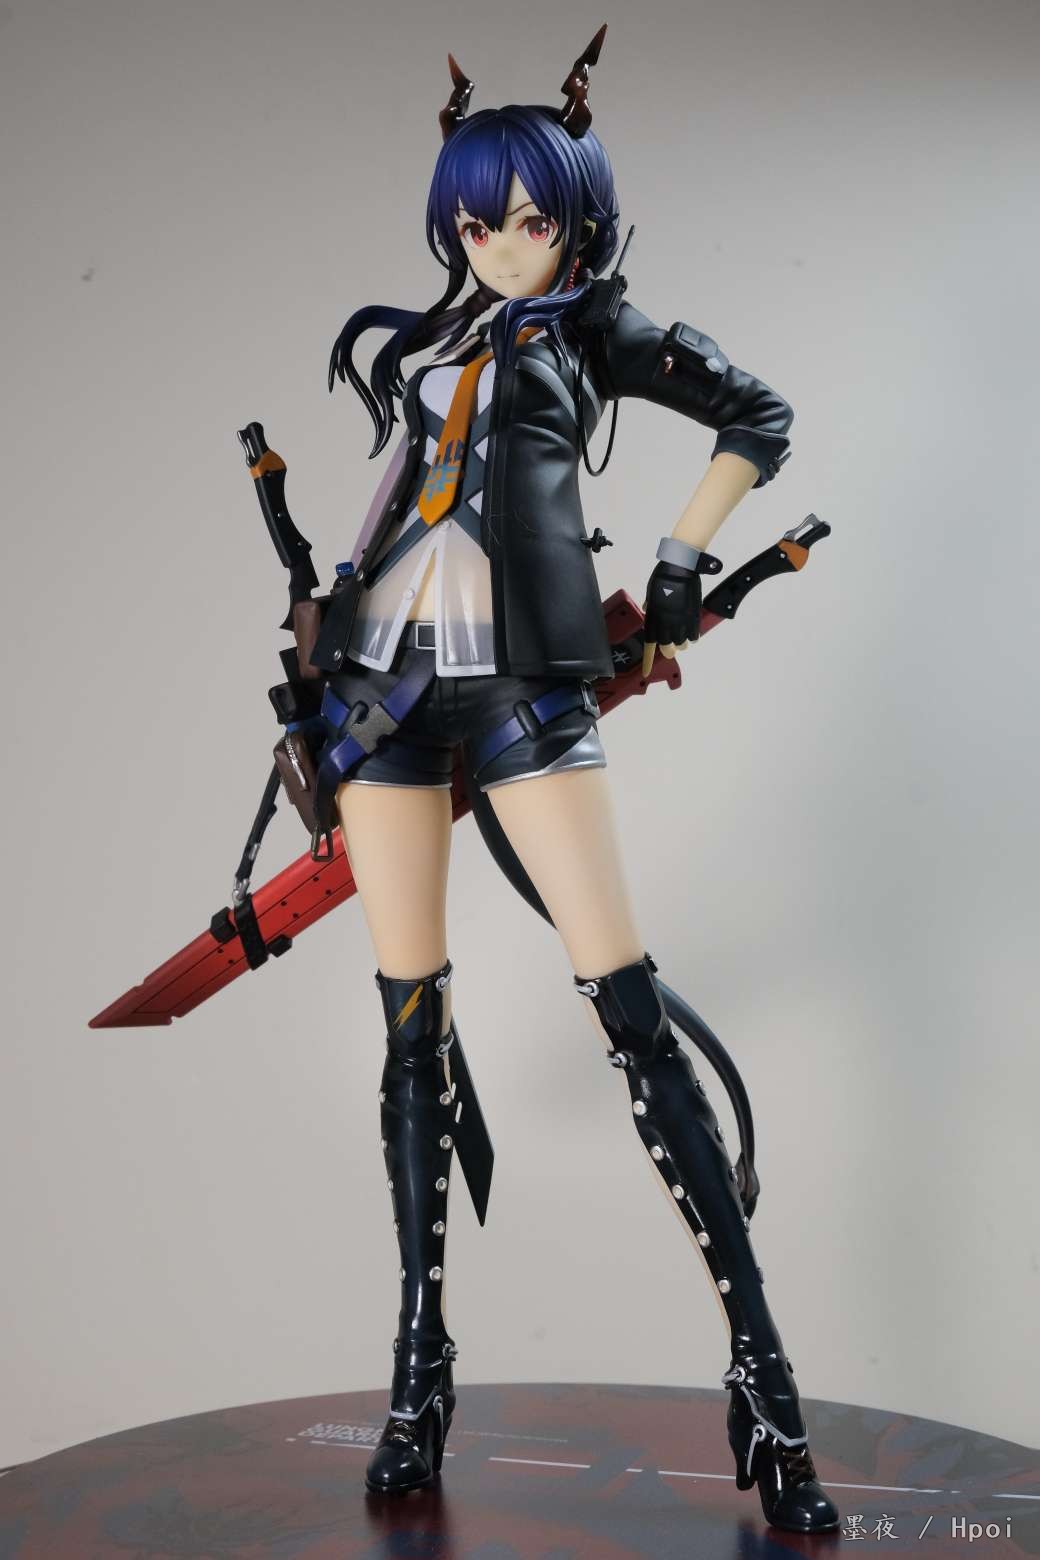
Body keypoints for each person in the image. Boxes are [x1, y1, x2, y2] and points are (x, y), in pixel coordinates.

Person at [313, 28, 840, 1535]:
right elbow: (390, 519)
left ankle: (767, 1382)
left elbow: (759, 416)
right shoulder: (436, 343)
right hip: (381, 700)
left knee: (627, 1006)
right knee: (411, 1021)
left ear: (578, 217)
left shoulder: (595, 328)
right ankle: (420, 1372)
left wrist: (678, 558)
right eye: (478, 222)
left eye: (531, 219)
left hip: (530, 690)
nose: (503, 245)